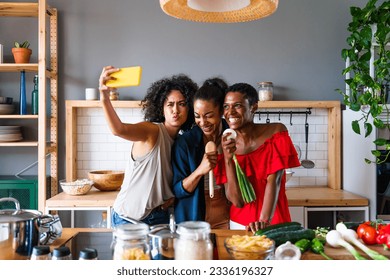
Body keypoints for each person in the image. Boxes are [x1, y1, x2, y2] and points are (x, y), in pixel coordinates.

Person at [99, 66, 198, 227]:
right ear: (161, 108)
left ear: (190, 108)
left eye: (181, 104)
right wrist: (104, 97)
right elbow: (119, 129)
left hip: (159, 217)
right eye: (170, 104)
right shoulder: (152, 131)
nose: (175, 110)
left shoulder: (182, 142)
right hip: (129, 219)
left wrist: (170, 196)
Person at [215, 82, 301, 233]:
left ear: (253, 107)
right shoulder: (223, 145)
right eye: (226, 106)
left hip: (273, 221)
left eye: (237, 105)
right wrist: (228, 159)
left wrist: (263, 222)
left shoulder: (276, 133)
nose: (230, 112)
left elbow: (274, 181)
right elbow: (236, 201)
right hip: (240, 225)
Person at [171, 78, 243, 229]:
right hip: (194, 220)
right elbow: (177, 190)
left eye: (209, 115)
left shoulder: (235, 137)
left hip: (230, 217)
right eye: (197, 116)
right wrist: (200, 170)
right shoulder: (185, 143)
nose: (202, 122)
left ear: (221, 112)